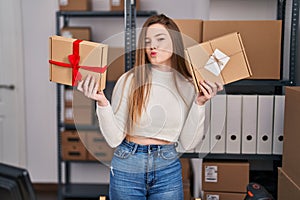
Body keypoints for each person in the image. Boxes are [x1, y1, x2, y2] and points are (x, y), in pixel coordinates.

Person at [77, 14, 223, 200]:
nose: (152, 45)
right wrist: (102, 103)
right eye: (147, 41)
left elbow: (189, 143)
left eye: (160, 39)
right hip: (128, 162)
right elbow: (114, 139)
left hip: (167, 166)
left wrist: (199, 104)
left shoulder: (189, 85)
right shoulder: (129, 80)